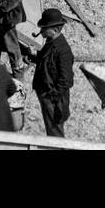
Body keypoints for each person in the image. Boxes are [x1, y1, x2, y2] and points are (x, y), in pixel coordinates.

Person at [32, 8, 74, 138]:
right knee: (51, 131)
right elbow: (47, 61)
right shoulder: (51, 42)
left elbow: (66, 81)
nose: (42, 32)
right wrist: (34, 57)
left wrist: (50, 97)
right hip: (48, 96)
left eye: (44, 29)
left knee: (55, 135)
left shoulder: (63, 51)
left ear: (55, 30)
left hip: (54, 102)